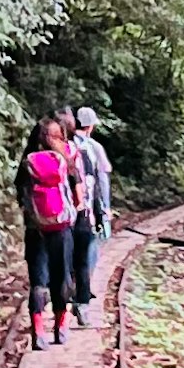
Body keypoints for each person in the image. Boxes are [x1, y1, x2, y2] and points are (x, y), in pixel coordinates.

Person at [15, 113, 81, 346]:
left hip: (35, 229)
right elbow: (78, 198)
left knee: (38, 280)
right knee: (62, 277)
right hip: (61, 227)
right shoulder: (65, 162)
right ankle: (61, 328)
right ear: (56, 138)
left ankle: (38, 331)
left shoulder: (27, 162)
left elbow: (21, 196)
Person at [67, 106, 117, 320]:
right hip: (86, 210)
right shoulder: (93, 147)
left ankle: (68, 289)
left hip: (64, 211)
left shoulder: (63, 146)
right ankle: (82, 296)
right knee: (88, 253)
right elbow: (102, 180)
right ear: (90, 125)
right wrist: (104, 207)